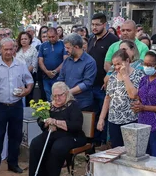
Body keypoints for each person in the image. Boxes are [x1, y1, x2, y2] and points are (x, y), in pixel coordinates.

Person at [0, 38, 34, 174]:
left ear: (14, 50)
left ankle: (13, 163)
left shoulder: (20, 64)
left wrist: (27, 90)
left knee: (16, 136)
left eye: (10, 49)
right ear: (0, 49)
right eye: (5, 49)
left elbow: (29, 81)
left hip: (16, 105)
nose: (8, 52)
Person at [29, 82, 87, 176]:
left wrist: (56, 122)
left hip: (72, 135)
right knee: (35, 143)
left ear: (66, 93)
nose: (57, 98)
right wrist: (46, 122)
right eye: (55, 96)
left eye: (60, 95)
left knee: (58, 146)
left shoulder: (72, 105)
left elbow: (76, 125)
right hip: (54, 133)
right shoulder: (49, 105)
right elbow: (41, 122)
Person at [97, 49, 143, 147]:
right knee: (116, 149)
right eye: (114, 65)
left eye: (119, 64)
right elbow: (107, 98)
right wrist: (101, 118)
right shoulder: (113, 77)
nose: (117, 67)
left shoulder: (138, 75)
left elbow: (133, 95)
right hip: (114, 120)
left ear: (127, 61)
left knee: (131, 149)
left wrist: (125, 76)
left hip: (131, 119)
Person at [87, 12, 119, 146]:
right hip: (90, 83)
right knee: (93, 113)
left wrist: (109, 79)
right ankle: (93, 140)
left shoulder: (113, 40)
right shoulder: (91, 38)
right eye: (92, 24)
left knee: (104, 114)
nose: (94, 27)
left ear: (104, 24)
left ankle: (104, 142)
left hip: (104, 84)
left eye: (97, 25)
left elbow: (115, 63)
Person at [58, 33, 97, 111]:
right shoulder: (67, 60)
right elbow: (61, 78)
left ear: (76, 47)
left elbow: (86, 84)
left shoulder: (90, 62)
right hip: (67, 102)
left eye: (68, 48)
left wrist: (67, 93)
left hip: (83, 103)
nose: (66, 50)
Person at [38, 27, 67, 102]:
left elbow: (65, 60)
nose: (51, 39)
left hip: (59, 77)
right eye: (49, 37)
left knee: (59, 97)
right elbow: (40, 61)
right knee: (49, 96)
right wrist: (47, 72)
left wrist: (55, 71)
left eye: (53, 37)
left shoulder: (63, 44)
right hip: (46, 77)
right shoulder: (43, 46)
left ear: (57, 35)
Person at [16, 31, 39, 101]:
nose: (23, 41)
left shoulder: (33, 49)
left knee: (29, 95)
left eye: (25, 39)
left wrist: (25, 73)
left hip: (30, 74)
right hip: (18, 76)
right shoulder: (17, 50)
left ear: (29, 40)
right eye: (22, 39)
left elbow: (34, 64)